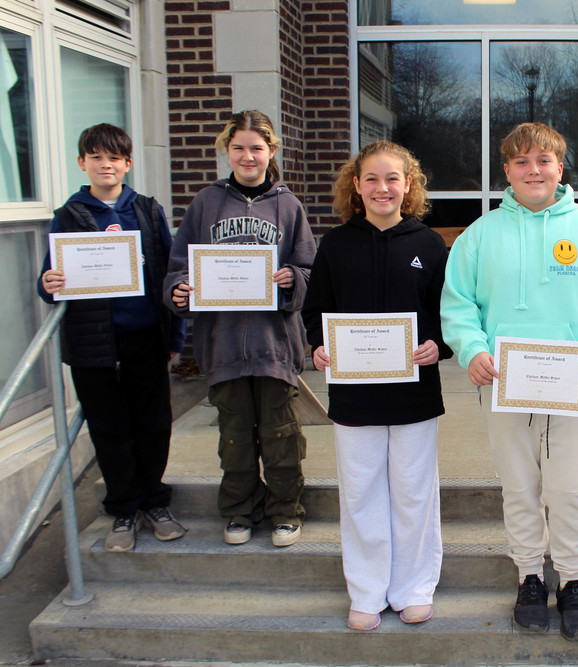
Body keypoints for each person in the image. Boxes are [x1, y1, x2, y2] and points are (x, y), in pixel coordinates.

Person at [441, 122, 578, 642]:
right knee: (520, 485)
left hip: (573, 385)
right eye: (522, 162)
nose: (534, 170)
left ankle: (572, 578)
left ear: (560, 167)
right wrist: (473, 350)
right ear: (506, 170)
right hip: (502, 383)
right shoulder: (479, 235)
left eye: (543, 160)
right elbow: (458, 304)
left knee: (571, 487)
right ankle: (529, 575)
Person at [301, 141, 450, 632]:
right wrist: (319, 346)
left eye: (393, 178)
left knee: (413, 493)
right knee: (361, 491)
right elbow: (316, 309)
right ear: (355, 185)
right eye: (371, 178)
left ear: (409, 185)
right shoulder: (336, 244)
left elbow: (445, 313)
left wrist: (437, 346)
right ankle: (366, 590)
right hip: (354, 393)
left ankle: (413, 588)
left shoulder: (428, 245)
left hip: (414, 393)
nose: (382, 188)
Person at [164, 110, 316, 548]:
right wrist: (179, 290)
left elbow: (308, 268)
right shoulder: (206, 203)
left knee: (281, 434)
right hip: (224, 343)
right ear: (226, 151)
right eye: (239, 148)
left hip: (274, 346)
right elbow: (179, 268)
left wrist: (292, 278)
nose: (248, 156)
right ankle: (239, 511)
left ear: (271, 151)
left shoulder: (288, 206)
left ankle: (286, 511)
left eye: (256, 147)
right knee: (234, 437)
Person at [37, 123, 186, 553]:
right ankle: (123, 509)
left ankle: (155, 502)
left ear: (128, 163)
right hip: (94, 346)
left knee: (154, 425)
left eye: (115, 158)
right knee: (109, 429)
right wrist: (49, 282)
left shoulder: (145, 209)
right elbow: (50, 281)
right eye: (96, 157)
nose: (106, 165)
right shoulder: (68, 216)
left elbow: (168, 275)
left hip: (145, 338)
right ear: (82, 163)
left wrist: (174, 335)